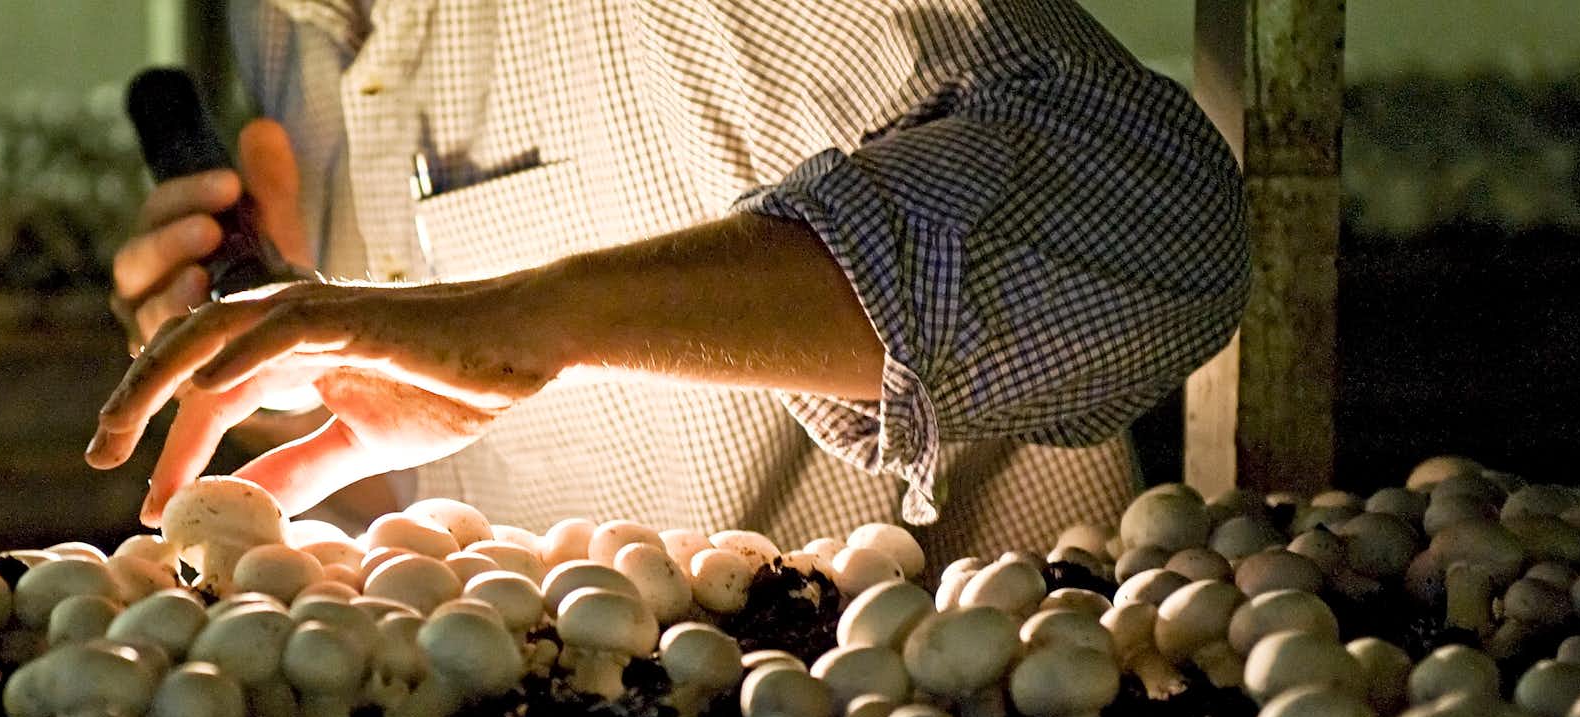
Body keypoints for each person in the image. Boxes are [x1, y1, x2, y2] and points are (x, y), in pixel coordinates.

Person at [88, 0, 1251, 562]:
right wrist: (289, 325)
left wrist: (541, 319)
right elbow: (419, 352)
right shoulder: (277, 18)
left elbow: (1163, 225)